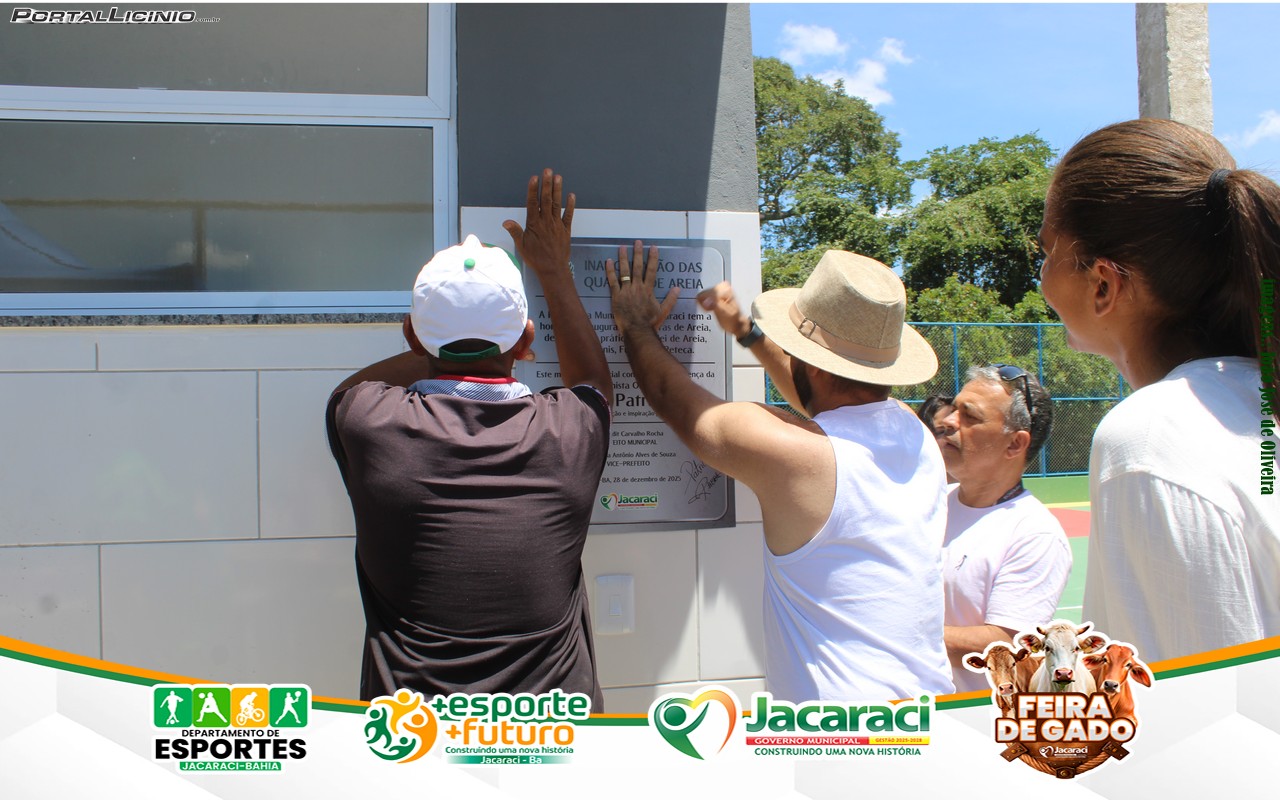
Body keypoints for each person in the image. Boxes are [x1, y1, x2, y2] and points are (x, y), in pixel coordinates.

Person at [609, 244, 954, 702]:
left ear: (811, 363)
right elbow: (825, 401)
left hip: (842, 729)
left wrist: (635, 324)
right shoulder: (914, 431)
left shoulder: (797, 454)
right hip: (929, 711)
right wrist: (748, 333)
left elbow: (673, 398)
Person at [326, 169, 612, 707]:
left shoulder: (366, 419)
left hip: (412, 733)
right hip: (558, 733)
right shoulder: (568, 429)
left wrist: (441, 340)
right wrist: (554, 271)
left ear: (411, 336)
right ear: (527, 340)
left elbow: (349, 388)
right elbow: (594, 384)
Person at [1040, 118, 1280, 662]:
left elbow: (1205, 705)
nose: (1043, 277)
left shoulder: (1151, 439)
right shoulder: (1250, 400)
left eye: (1047, 252)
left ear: (1103, 284)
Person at [933, 365, 1071, 692]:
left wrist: (893, 631)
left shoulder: (1034, 533)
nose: (949, 421)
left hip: (967, 715)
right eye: (954, 409)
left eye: (970, 416)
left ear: (1014, 444)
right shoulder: (930, 503)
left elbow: (1006, 643)